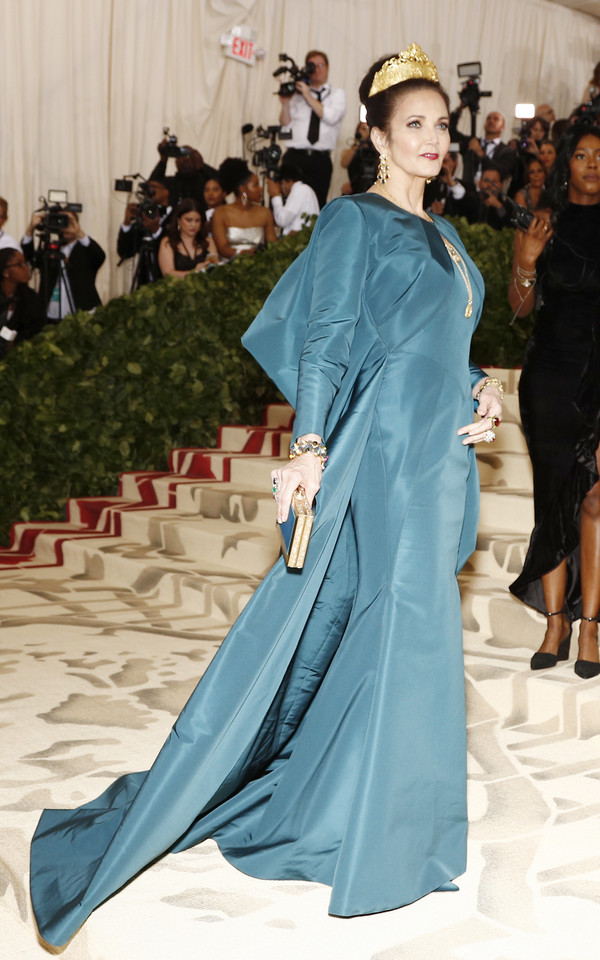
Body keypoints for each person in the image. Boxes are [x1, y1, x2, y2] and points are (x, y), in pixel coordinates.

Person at [30, 44, 503, 948]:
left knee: (403, 638)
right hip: (381, 456)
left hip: (435, 461)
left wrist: (479, 390)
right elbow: (327, 339)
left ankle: (372, 818)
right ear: (373, 135)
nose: (434, 140)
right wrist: (310, 447)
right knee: (401, 630)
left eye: (443, 125)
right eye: (415, 125)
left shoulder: (447, 237)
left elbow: (435, 343)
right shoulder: (354, 222)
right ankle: (387, 843)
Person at [508, 124, 600, 679]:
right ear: (567, 164)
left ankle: (589, 623)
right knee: (551, 497)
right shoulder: (544, 223)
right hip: (549, 377)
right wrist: (526, 258)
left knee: (594, 499)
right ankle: (555, 624)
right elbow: (519, 309)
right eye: (583, 154)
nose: (593, 163)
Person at [279, 50, 347, 207]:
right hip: (294, 157)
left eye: (321, 65)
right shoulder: (297, 95)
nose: (317, 69)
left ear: (328, 68)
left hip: (319, 160)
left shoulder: (337, 94)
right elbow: (285, 125)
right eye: (312, 66)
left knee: (316, 205)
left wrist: (308, 95)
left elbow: (330, 117)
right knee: (288, 204)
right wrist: (285, 104)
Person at [22, 210, 105, 320]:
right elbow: (28, 258)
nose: (65, 226)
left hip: (81, 315)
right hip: (50, 316)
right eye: (60, 221)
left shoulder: (85, 249)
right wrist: (30, 229)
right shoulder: (50, 249)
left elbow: (100, 256)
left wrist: (79, 233)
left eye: (69, 221)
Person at [211, 158, 277, 259]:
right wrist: (244, 254)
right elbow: (222, 249)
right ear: (243, 189)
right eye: (255, 185)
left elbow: (273, 246)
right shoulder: (220, 213)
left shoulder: (265, 213)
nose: (261, 189)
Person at [451, 108, 517, 186]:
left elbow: (502, 171)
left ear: (503, 127)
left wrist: (480, 153)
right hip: (468, 191)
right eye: (488, 118)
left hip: (491, 192)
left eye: (496, 119)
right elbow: (452, 133)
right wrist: (459, 109)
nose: (491, 121)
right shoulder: (473, 142)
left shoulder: (507, 150)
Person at [149, 142, 219, 214]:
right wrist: (163, 160)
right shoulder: (172, 182)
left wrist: (202, 166)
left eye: (189, 156)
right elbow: (152, 186)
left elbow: (223, 184)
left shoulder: (206, 182)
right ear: (176, 161)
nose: (185, 160)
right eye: (181, 156)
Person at [0, 247, 45, 357]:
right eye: (20, 265)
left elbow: (37, 327)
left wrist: (16, 341)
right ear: (5, 272)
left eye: (26, 263)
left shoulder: (29, 297)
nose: (26, 268)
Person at [157, 198, 218, 277]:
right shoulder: (168, 242)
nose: (193, 225)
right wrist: (194, 272)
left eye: (197, 221)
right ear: (179, 220)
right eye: (189, 220)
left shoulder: (208, 241)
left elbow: (215, 267)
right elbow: (168, 274)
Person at [266, 162, 320, 235]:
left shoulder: (300, 190)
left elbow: (282, 220)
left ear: (283, 182)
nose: (281, 191)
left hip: (300, 241)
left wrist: (276, 196)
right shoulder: (304, 189)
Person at [340, 120, 379, 194]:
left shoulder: (377, 152)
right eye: (363, 128)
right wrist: (358, 143)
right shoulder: (352, 150)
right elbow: (344, 163)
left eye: (368, 128)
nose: (366, 131)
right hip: (354, 188)